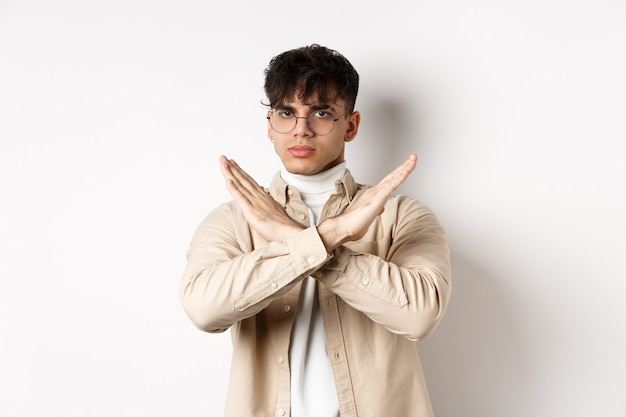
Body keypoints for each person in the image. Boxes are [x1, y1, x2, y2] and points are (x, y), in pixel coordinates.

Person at [179, 44, 451, 417]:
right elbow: (203, 310)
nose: (301, 130)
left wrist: (295, 241)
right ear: (270, 126)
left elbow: (420, 316)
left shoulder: (402, 216)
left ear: (351, 125)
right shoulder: (232, 220)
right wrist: (324, 238)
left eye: (321, 113)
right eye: (286, 113)